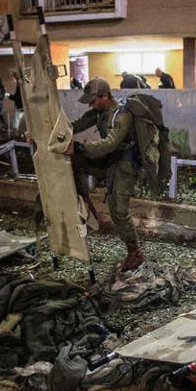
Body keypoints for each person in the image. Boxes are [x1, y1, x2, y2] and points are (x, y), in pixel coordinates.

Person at [63, 77, 144, 271]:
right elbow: (74, 126)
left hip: (126, 162)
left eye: (93, 100)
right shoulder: (99, 112)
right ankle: (84, 200)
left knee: (119, 209)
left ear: (105, 96)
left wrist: (80, 147)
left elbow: (111, 143)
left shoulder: (123, 114)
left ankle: (135, 252)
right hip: (110, 158)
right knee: (75, 161)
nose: (90, 104)